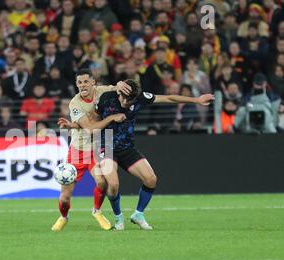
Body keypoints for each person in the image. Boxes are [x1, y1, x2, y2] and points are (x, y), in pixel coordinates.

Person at [59, 79, 214, 230]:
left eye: (130, 102)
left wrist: (197, 100)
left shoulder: (140, 97)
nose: (126, 104)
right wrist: (74, 125)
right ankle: (118, 218)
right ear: (119, 93)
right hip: (105, 146)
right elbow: (92, 122)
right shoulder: (107, 98)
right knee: (112, 185)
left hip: (127, 147)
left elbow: (168, 97)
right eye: (124, 100)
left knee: (151, 179)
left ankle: (138, 214)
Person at [51, 69, 131, 232]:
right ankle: (63, 217)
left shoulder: (103, 91)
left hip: (99, 147)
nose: (82, 85)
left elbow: (117, 87)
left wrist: (122, 84)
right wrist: (110, 118)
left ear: (93, 82)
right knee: (65, 197)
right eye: (79, 82)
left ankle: (97, 211)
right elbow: (89, 128)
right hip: (78, 150)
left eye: (85, 81)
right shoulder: (75, 103)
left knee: (102, 182)